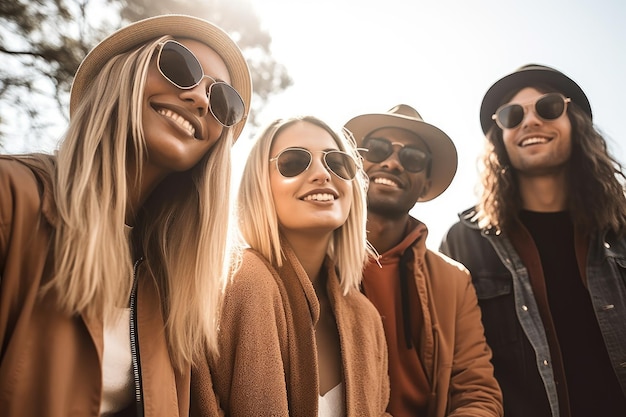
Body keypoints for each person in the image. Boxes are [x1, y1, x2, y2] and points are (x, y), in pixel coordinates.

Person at [0, 14, 251, 416]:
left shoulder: (175, 279)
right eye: (178, 66)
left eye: (223, 102)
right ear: (123, 73)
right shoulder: (11, 198)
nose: (202, 100)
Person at [439, 64, 626, 417]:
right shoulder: (463, 242)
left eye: (548, 107)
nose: (530, 122)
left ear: (576, 124)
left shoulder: (622, 225)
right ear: (501, 137)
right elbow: (453, 368)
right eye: (512, 115)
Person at [209, 115, 391, 416]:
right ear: (259, 185)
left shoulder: (366, 317)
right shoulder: (238, 282)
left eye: (338, 163)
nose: (322, 174)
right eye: (294, 162)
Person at [344, 105, 503, 417]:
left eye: (412, 157)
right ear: (355, 163)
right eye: (377, 149)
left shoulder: (454, 280)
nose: (391, 162)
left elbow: (477, 392)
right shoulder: (310, 259)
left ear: (427, 184)